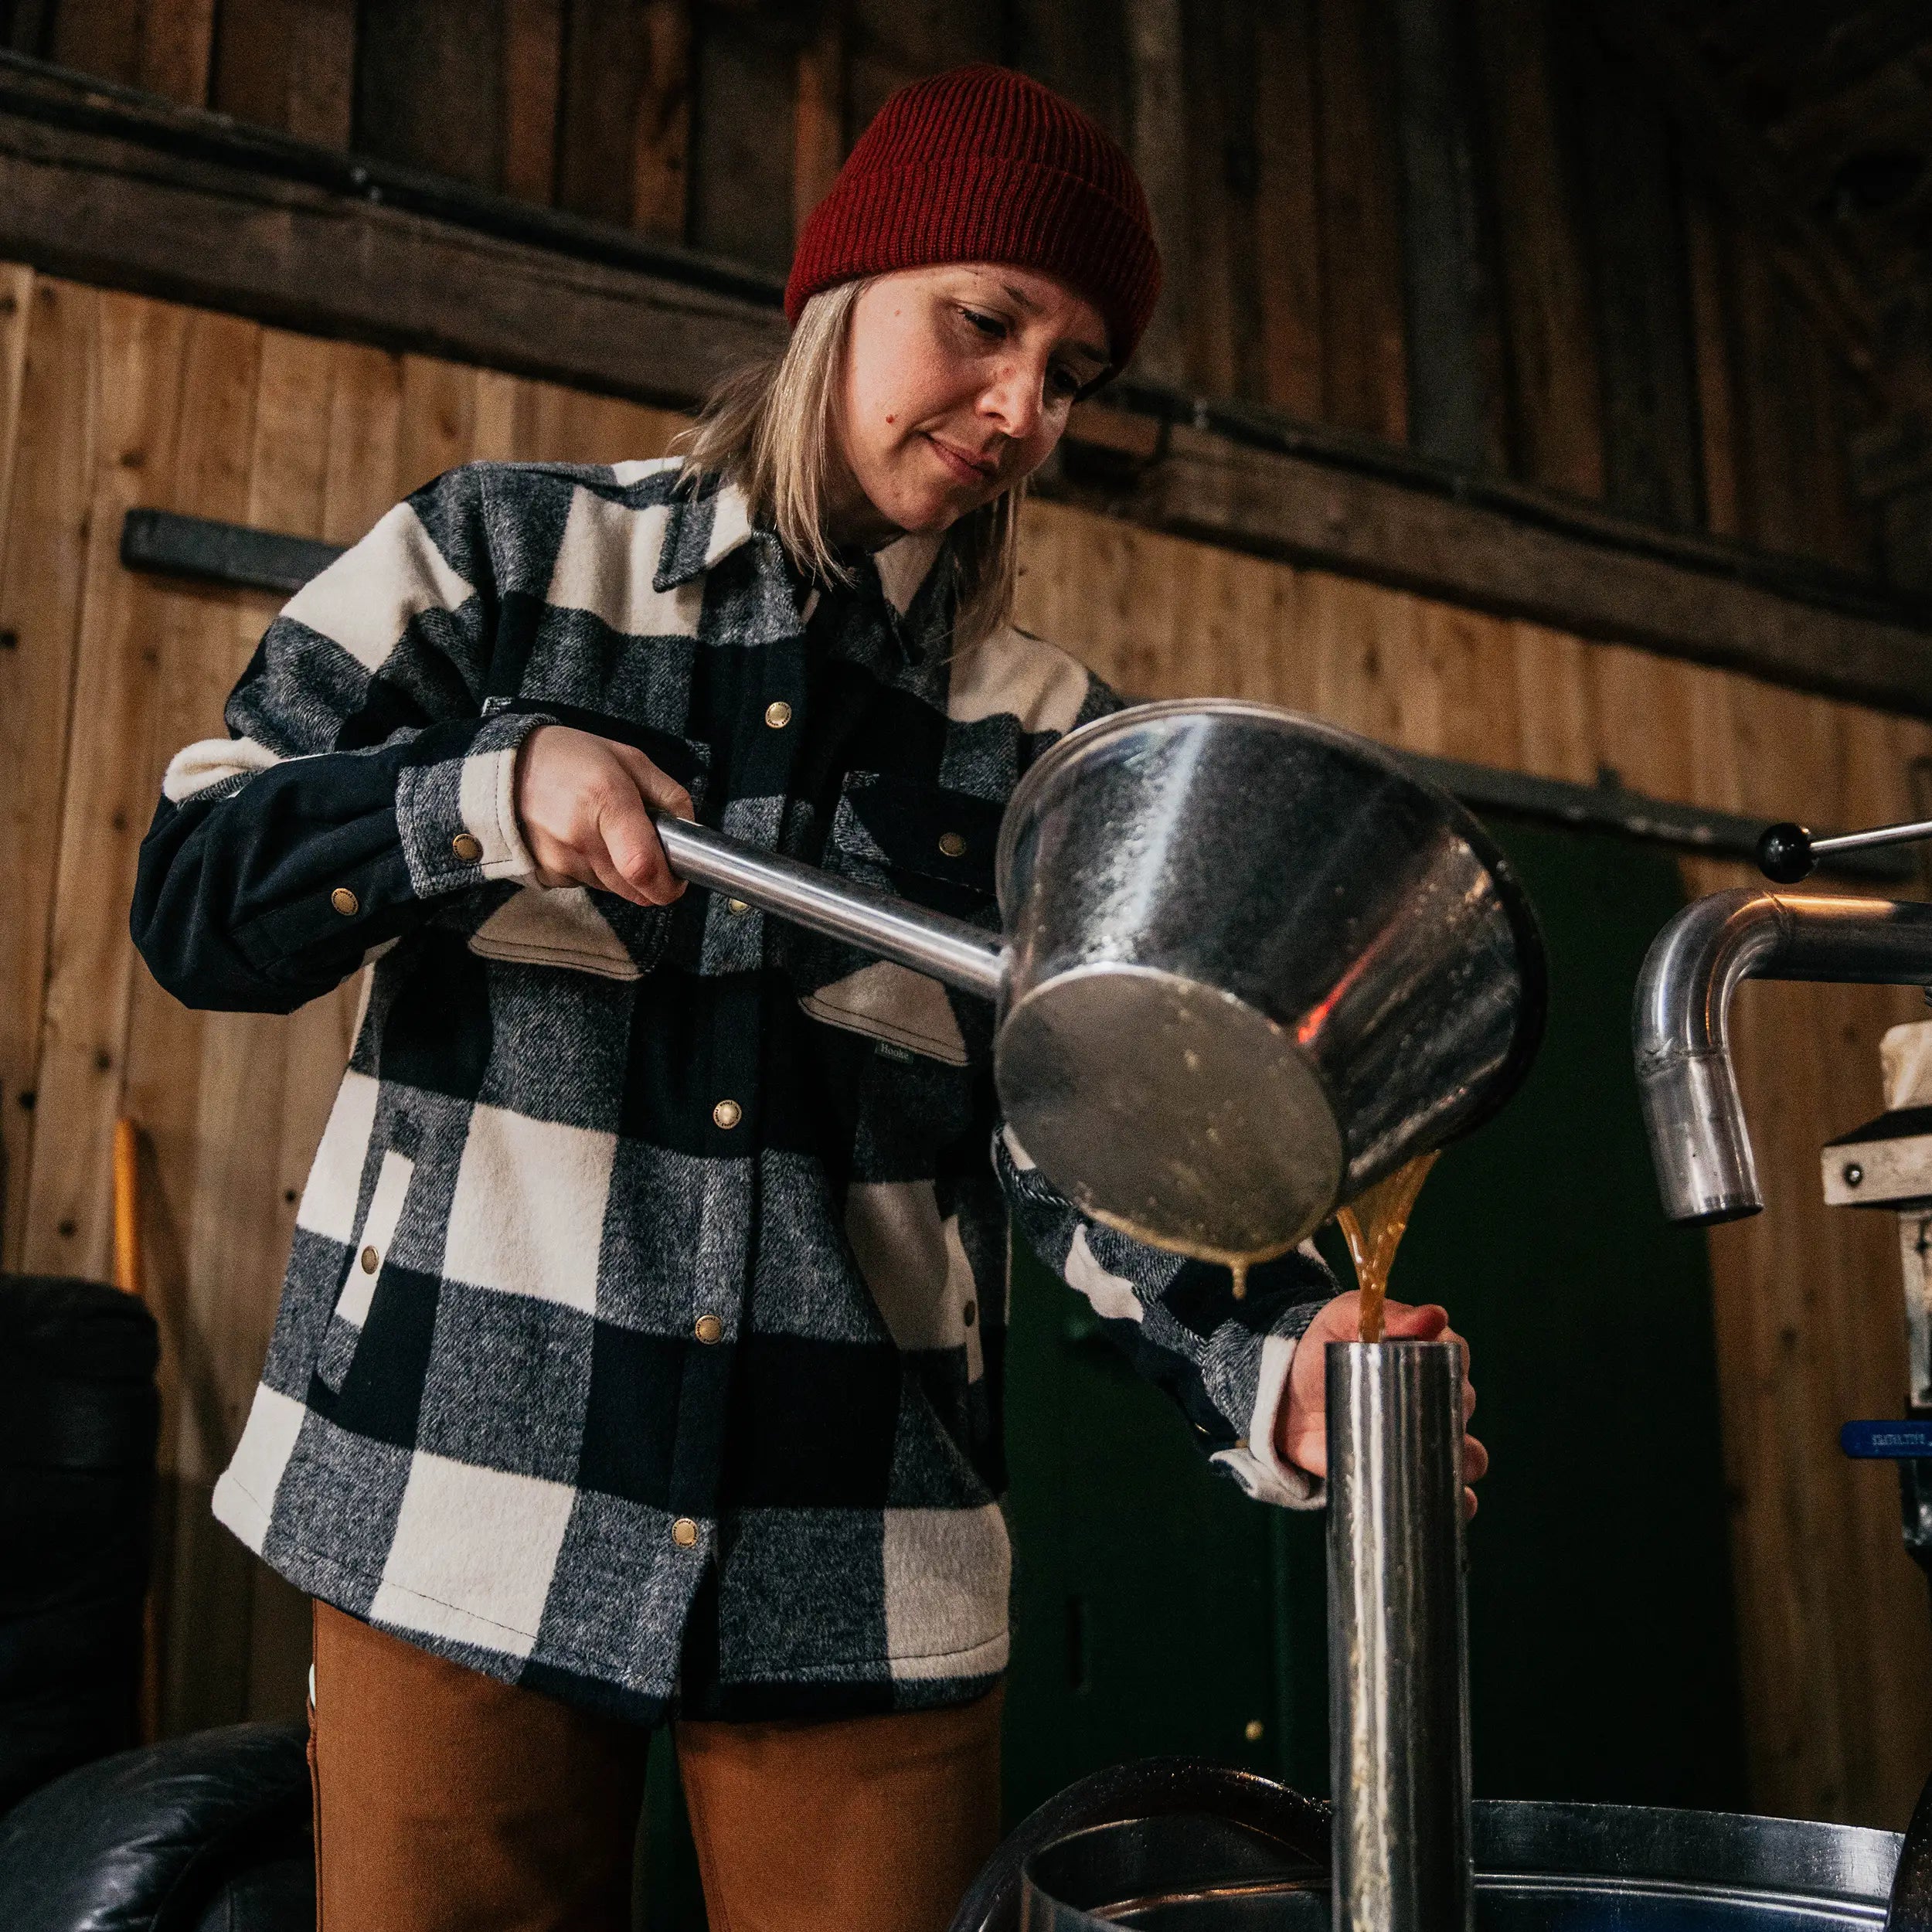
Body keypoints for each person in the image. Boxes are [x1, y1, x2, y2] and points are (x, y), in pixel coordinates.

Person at [131, 63, 1483, 1932]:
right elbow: (197, 891)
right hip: (453, 1478)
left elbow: (1090, 1144)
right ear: (840, 291)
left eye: (1071, 371)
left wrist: (1272, 1361)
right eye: (983, 320)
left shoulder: (1047, 747)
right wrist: (476, 791)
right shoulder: (502, 561)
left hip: (863, 1544)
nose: (1020, 404)